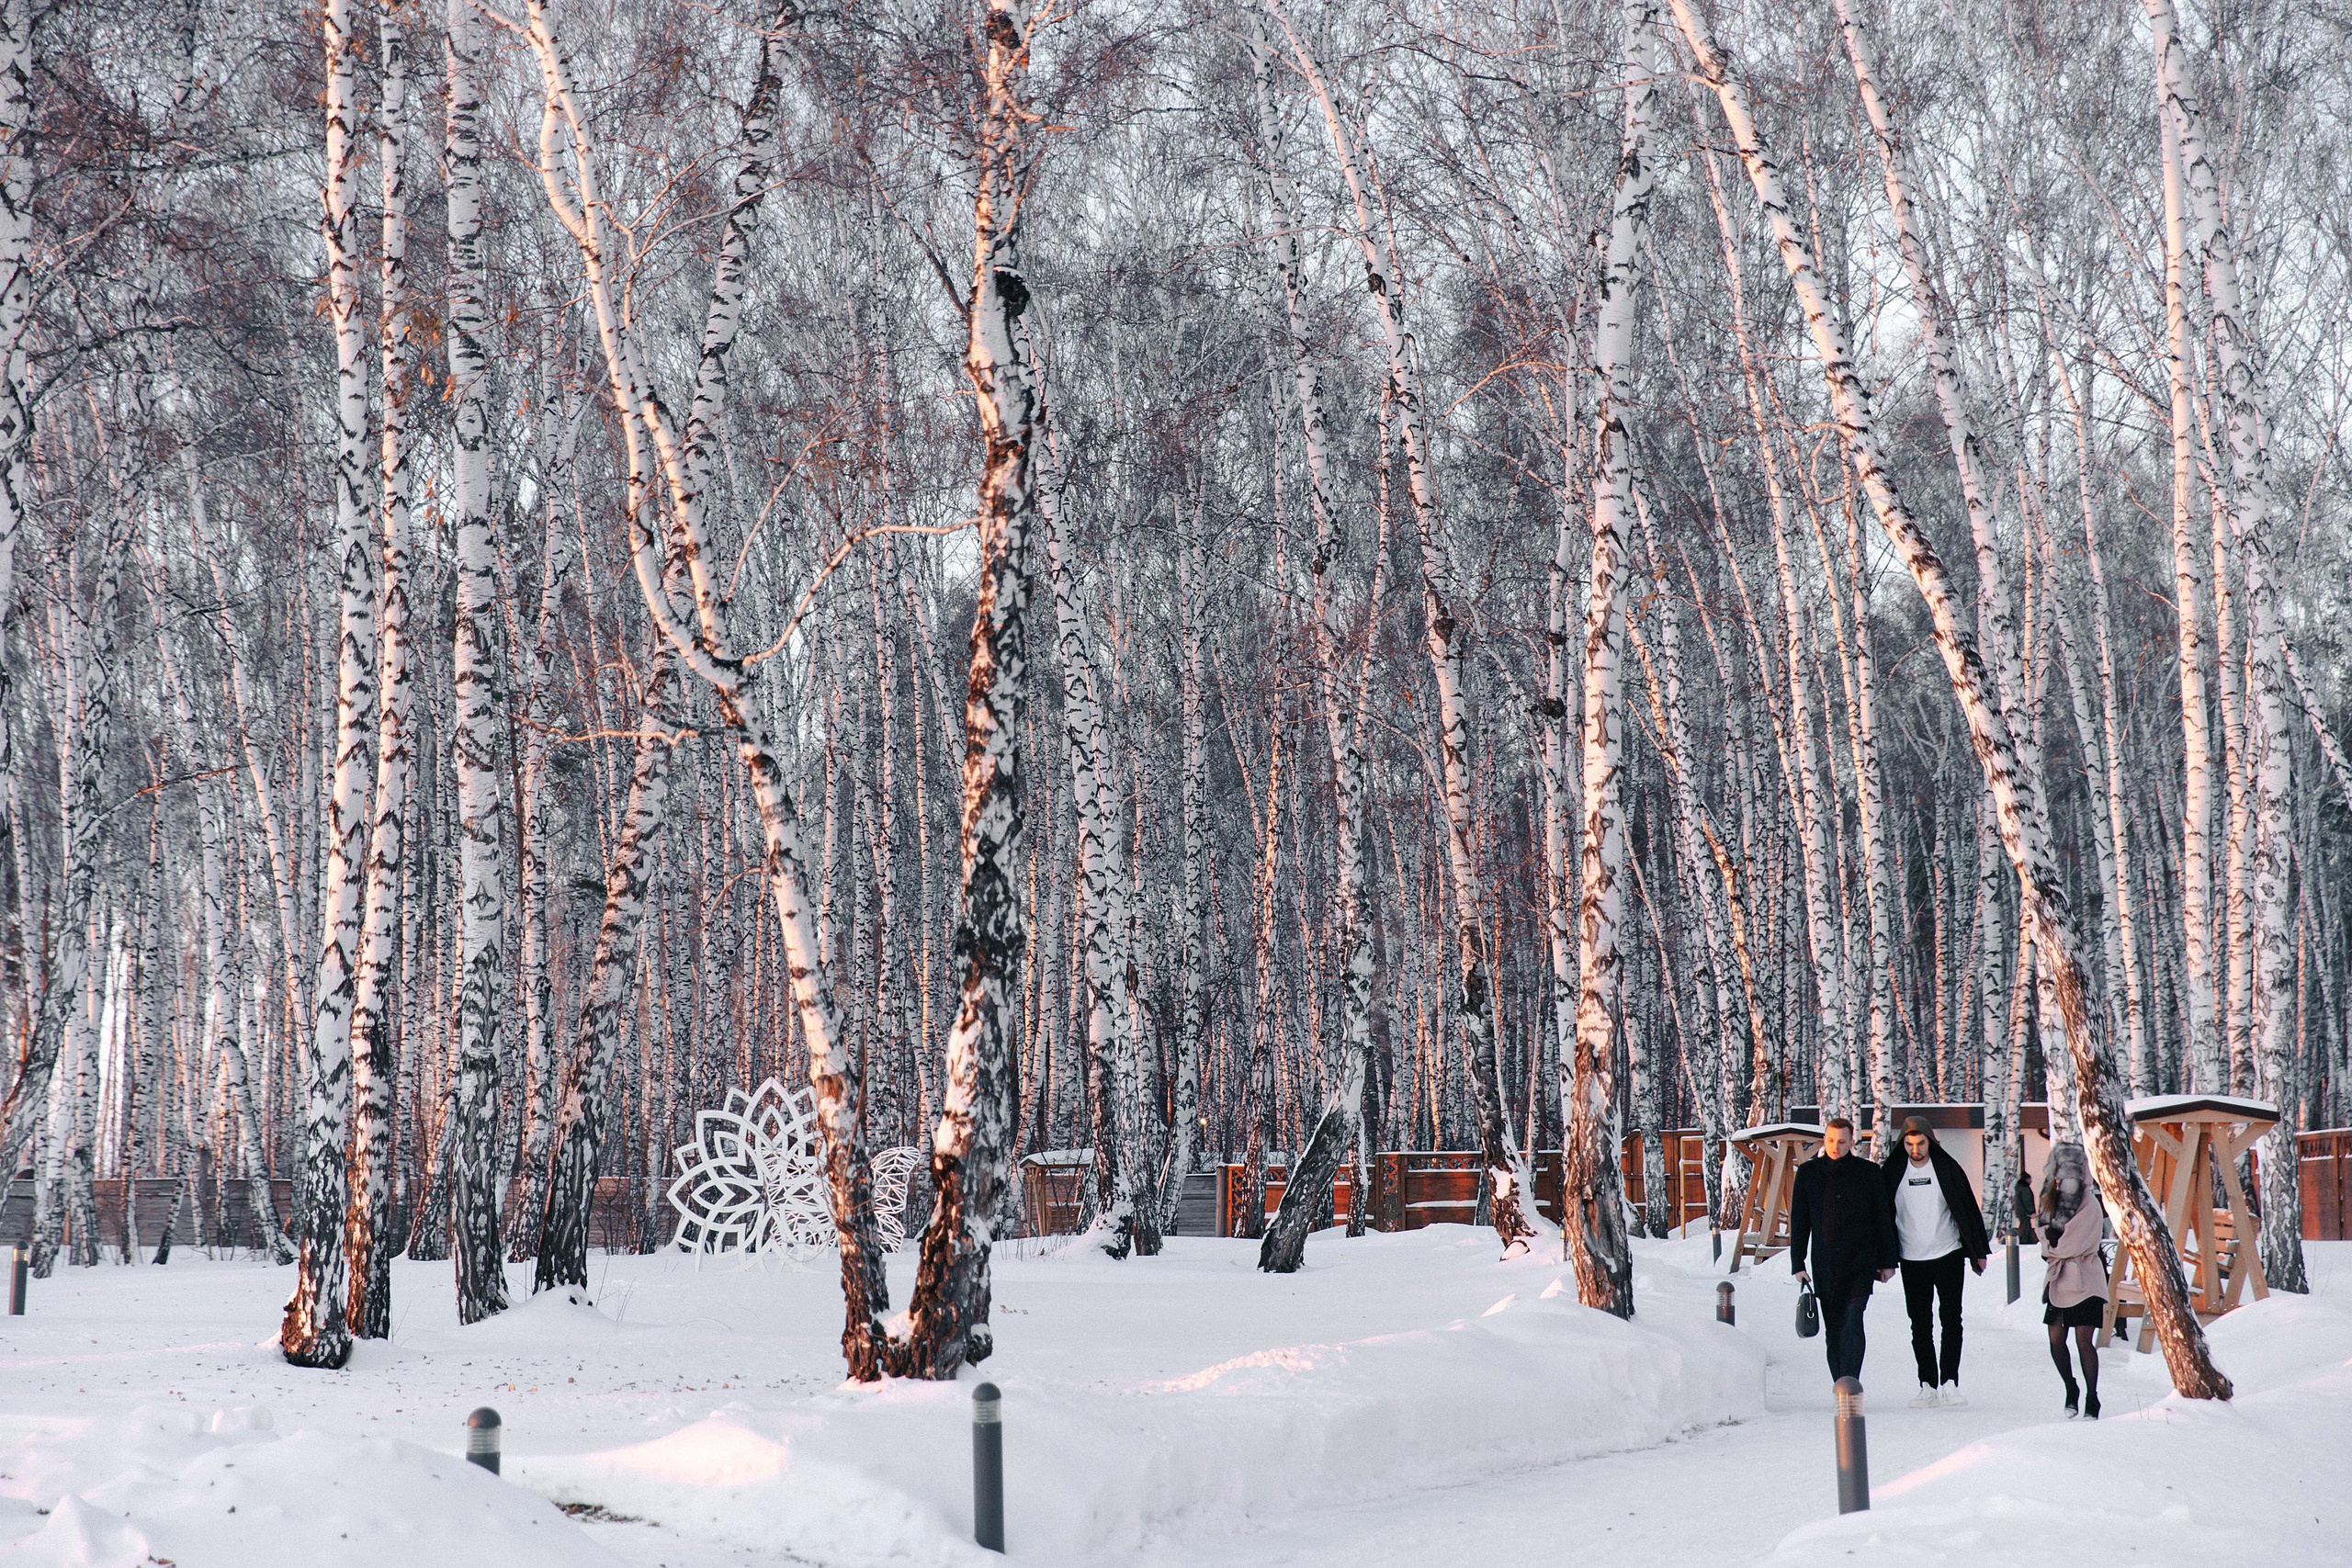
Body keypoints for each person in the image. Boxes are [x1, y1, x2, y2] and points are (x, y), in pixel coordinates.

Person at [1880, 1115, 1990, 1407]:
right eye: (1909, 1143)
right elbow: (1880, 1218)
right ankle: (1927, 1384)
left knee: (1952, 1319)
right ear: (1902, 1143)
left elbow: (1967, 1207)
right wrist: (1884, 1259)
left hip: (1948, 1254)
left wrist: (1978, 1252)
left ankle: (1950, 1382)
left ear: (1930, 1141)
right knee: (1920, 1324)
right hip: (1911, 1257)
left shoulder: (1947, 1168)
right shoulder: (1891, 1173)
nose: (1915, 1149)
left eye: (1921, 1143)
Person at [1790, 1116, 1898, 1385]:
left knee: (1853, 1323)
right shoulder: (1808, 1174)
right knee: (1833, 1330)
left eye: (1841, 1141)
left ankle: (1851, 1383)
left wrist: (1888, 1261)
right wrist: (1798, 1263)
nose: (1835, 1146)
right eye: (1829, 1140)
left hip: (1861, 1263)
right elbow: (1800, 1222)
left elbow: (1882, 1219)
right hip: (1825, 1265)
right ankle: (1840, 1384)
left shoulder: (1869, 1174)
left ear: (1853, 1142)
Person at [2038, 1143, 2108, 1419]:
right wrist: (2049, 1243)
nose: (2059, 1180)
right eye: (2056, 1173)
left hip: (2085, 1280)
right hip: (2059, 1281)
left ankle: (2092, 1397)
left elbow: (2073, 1243)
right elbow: (2042, 1232)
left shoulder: (2090, 1204)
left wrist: (2049, 1246)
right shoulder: (2049, 1201)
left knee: (2083, 1341)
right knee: (2055, 1339)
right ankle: (2071, 1388)